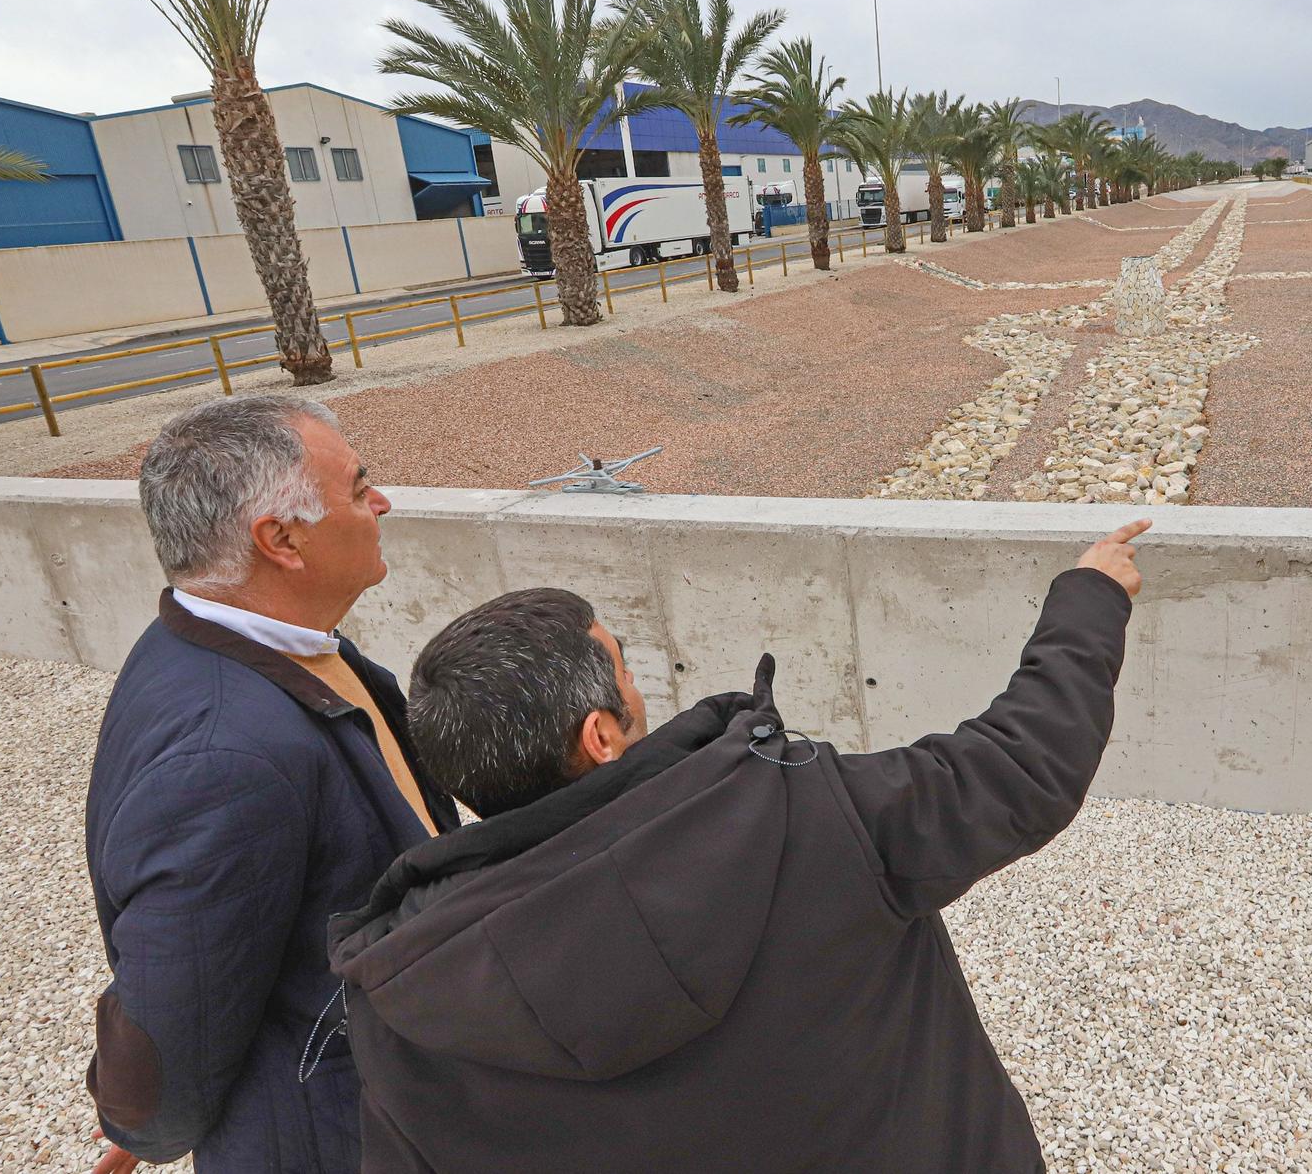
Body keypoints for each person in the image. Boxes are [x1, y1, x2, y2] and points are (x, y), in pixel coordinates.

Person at [328, 520, 1150, 1172]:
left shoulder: (407, 996)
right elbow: (1021, 766)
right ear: (601, 734)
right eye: (624, 667)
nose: (639, 684)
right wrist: (1089, 600)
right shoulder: (812, 813)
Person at [84, 395, 459, 1173]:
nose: (381, 502)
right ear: (282, 540)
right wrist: (140, 1115)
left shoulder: (236, 642)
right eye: (358, 489)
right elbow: (161, 1069)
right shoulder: (228, 759)